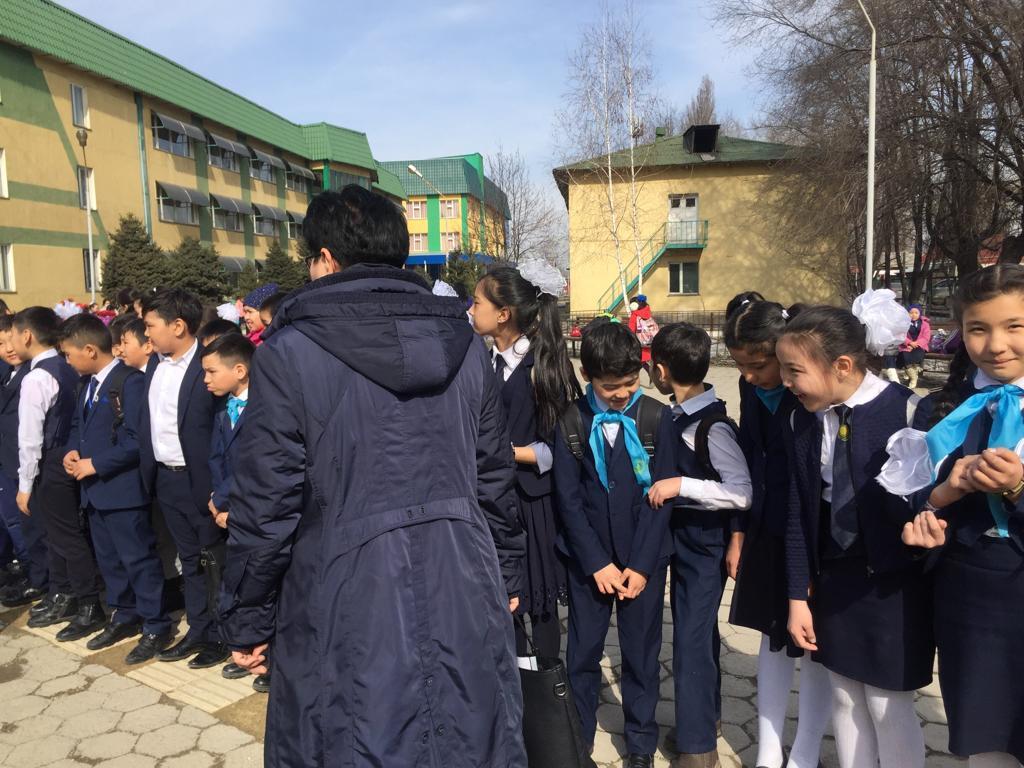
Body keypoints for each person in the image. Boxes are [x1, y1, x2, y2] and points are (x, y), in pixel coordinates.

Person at [219, 186, 527, 767]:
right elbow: (494, 477)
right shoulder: (466, 346)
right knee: (466, 737)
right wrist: (507, 570)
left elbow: (266, 505)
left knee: (355, 738)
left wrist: (249, 614)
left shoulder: (289, 352)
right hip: (464, 580)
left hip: (342, 595)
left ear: (326, 258)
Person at [779, 306, 932, 768]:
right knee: (844, 696)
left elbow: (930, 500)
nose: (785, 381)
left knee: (888, 705)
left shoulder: (908, 412)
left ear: (842, 365)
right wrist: (797, 596)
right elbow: (798, 511)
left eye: (794, 371)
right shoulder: (802, 419)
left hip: (894, 586)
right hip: (836, 577)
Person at [900, 264, 1024, 768]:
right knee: (986, 743)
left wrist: (1017, 487)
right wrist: (940, 498)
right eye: (978, 329)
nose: (996, 345)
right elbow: (908, 497)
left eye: (1014, 326)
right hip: (972, 600)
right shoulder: (942, 408)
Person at [722, 297, 831, 768]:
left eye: (759, 365)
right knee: (771, 633)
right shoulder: (752, 391)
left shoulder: (807, 394)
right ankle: (768, 749)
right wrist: (738, 533)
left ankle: (806, 750)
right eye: (740, 367)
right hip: (766, 525)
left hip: (810, 530)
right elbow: (748, 457)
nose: (750, 376)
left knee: (813, 642)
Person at [553, 321, 667, 768]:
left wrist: (641, 565)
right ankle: (578, 737)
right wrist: (596, 562)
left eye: (630, 382)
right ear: (588, 376)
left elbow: (662, 500)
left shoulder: (655, 418)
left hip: (642, 563)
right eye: (610, 386)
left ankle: (640, 744)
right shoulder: (571, 420)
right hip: (590, 565)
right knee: (582, 654)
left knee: (641, 656)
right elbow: (567, 500)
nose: (622, 393)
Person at [645, 323, 752, 768]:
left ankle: (697, 748)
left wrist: (682, 485)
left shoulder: (712, 427)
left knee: (690, 640)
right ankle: (706, 721)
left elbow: (742, 492)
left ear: (662, 371)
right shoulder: (677, 416)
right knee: (698, 633)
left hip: (705, 543)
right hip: (684, 538)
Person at [469, 266, 581, 662]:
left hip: (531, 502)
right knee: (503, 601)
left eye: (477, 302)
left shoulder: (542, 368)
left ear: (503, 314)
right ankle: (513, 682)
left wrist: (501, 452)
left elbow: (558, 450)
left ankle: (545, 681)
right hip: (489, 500)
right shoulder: (479, 362)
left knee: (538, 602)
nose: (470, 309)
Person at [58, 314, 172, 661]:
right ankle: (124, 614)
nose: (67, 361)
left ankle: (156, 624)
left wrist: (96, 463)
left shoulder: (129, 382)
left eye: (69, 354)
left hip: (122, 490)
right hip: (94, 491)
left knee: (138, 559)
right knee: (109, 559)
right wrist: (72, 451)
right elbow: (78, 426)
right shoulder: (87, 384)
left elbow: (138, 440)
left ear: (90, 350)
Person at [138, 288, 228, 669]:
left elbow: (221, 431)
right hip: (165, 479)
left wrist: (219, 487)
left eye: (150, 326)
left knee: (214, 559)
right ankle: (199, 629)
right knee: (188, 560)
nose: (146, 334)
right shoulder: (154, 365)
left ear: (178, 326)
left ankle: (222, 634)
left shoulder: (206, 367)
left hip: (200, 481)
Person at [12, 307, 104, 637]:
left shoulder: (37, 377)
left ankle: (88, 603)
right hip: (67, 456)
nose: (10, 341)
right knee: (57, 535)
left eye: (12, 334)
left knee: (65, 536)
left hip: (51, 461)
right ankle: (63, 593)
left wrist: (25, 484)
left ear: (26, 335)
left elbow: (30, 437)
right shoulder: (65, 365)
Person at [199, 334, 266, 692]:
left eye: (211, 371)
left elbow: (254, 464)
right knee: (236, 582)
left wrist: (227, 500)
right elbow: (217, 457)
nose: (205, 379)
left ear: (239, 370)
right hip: (228, 506)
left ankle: (267, 654)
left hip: (254, 509)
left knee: (260, 583)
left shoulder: (264, 408)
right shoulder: (224, 407)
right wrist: (217, 500)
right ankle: (244, 644)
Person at [0, 315, 49, 607]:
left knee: (28, 524)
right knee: (14, 521)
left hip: (26, 462)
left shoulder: (34, 376)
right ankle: (30, 571)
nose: (8, 348)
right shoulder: (9, 374)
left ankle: (39, 578)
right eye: (1, 343)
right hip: (8, 459)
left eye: (11, 340)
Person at [882, 304, 931, 388]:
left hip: (920, 346)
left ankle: (913, 377)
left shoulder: (925, 324)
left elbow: (926, 337)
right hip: (906, 346)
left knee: (915, 356)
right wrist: (909, 343)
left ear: (920, 314)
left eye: (916, 313)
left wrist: (916, 344)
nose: (913, 315)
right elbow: (901, 335)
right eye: (911, 313)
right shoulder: (904, 323)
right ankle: (913, 377)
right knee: (904, 356)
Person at [627, 294, 657, 369]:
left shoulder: (635, 315)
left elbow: (631, 330)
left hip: (640, 343)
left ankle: (648, 372)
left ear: (634, 305)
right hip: (650, 341)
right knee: (647, 359)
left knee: (639, 361)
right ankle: (652, 371)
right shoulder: (648, 313)